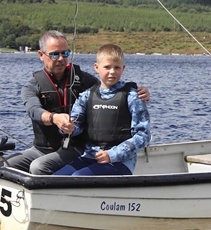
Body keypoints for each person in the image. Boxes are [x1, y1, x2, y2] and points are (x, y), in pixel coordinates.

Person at [5, 31, 150, 175]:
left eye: (65, 53)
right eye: (55, 54)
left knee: (40, 168)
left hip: (78, 148)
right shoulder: (32, 86)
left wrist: (139, 91)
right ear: (41, 55)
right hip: (44, 149)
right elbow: (33, 110)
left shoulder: (87, 82)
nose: (61, 58)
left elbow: (111, 87)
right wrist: (60, 122)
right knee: (4, 166)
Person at [53, 44, 151, 176]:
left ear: (123, 68)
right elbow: (77, 124)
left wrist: (112, 155)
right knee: (56, 178)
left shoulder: (133, 97)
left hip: (120, 162)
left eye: (117, 67)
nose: (112, 72)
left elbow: (143, 135)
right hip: (89, 156)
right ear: (96, 68)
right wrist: (68, 127)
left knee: (78, 178)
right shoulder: (87, 95)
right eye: (107, 67)